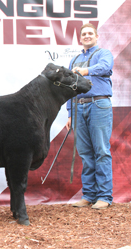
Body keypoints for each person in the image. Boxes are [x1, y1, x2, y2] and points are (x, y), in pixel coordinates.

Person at [65, 23, 114, 210]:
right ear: (80, 38)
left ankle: (104, 196)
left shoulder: (103, 54)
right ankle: (89, 195)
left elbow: (104, 67)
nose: (86, 36)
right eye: (83, 34)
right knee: (85, 153)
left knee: (101, 150)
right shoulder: (75, 59)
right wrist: (70, 113)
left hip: (99, 104)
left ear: (96, 36)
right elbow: (70, 88)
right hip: (78, 107)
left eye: (90, 33)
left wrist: (85, 71)